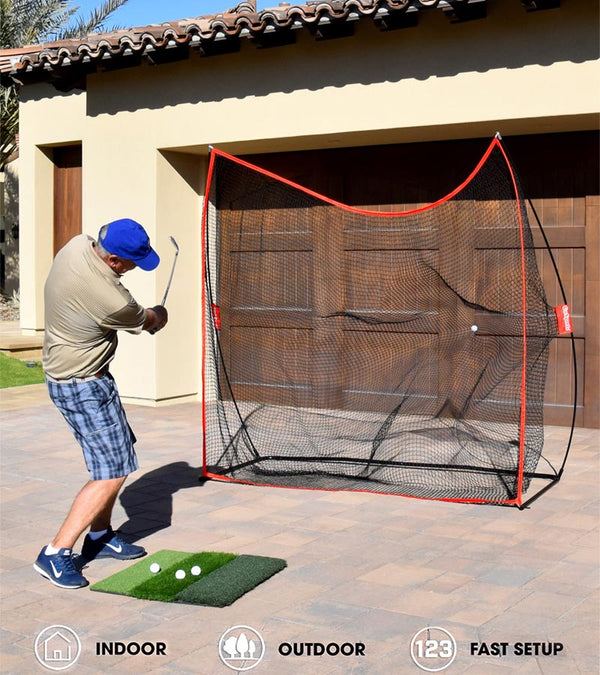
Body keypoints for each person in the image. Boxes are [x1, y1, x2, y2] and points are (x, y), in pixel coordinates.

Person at [33, 218, 168, 589]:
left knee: (116, 459)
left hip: (78, 377)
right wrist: (161, 314)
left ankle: (101, 535)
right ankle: (57, 552)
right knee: (111, 471)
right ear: (112, 260)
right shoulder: (112, 300)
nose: (135, 268)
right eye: (131, 263)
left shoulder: (77, 245)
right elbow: (149, 320)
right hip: (83, 386)